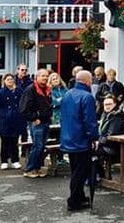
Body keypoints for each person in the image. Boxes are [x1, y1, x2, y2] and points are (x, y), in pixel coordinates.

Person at [60, 70, 99, 212]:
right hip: (81, 141)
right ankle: (74, 200)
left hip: (68, 138)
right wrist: (94, 137)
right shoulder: (87, 97)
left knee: (75, 169)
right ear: (87, 81)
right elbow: (89, 121)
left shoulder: (67, 94)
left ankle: (80, 197)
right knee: (81, 172)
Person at [20, 69, 53, 178]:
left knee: (42, 146)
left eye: (46, 76)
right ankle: (29, 169)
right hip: (37, 122)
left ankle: (37, 168)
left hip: (46, 121)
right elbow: (24, 109)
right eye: (43, 76)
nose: (45, 78)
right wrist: (34, 118)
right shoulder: (30, 90)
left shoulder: (47, 90)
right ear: (37, 77)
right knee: (37, 146)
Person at [0, 73, 24, 170]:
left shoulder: (19, 91)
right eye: (8, 80)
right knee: (5, 142)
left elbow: (22, 102)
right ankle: (4, 161)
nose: (10, 81)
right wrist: (5, 115)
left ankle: (15, 160)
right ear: (4, 81)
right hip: (5, 121)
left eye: (11, 79)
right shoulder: (1, 93)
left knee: (14, 141)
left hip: (16, 119)